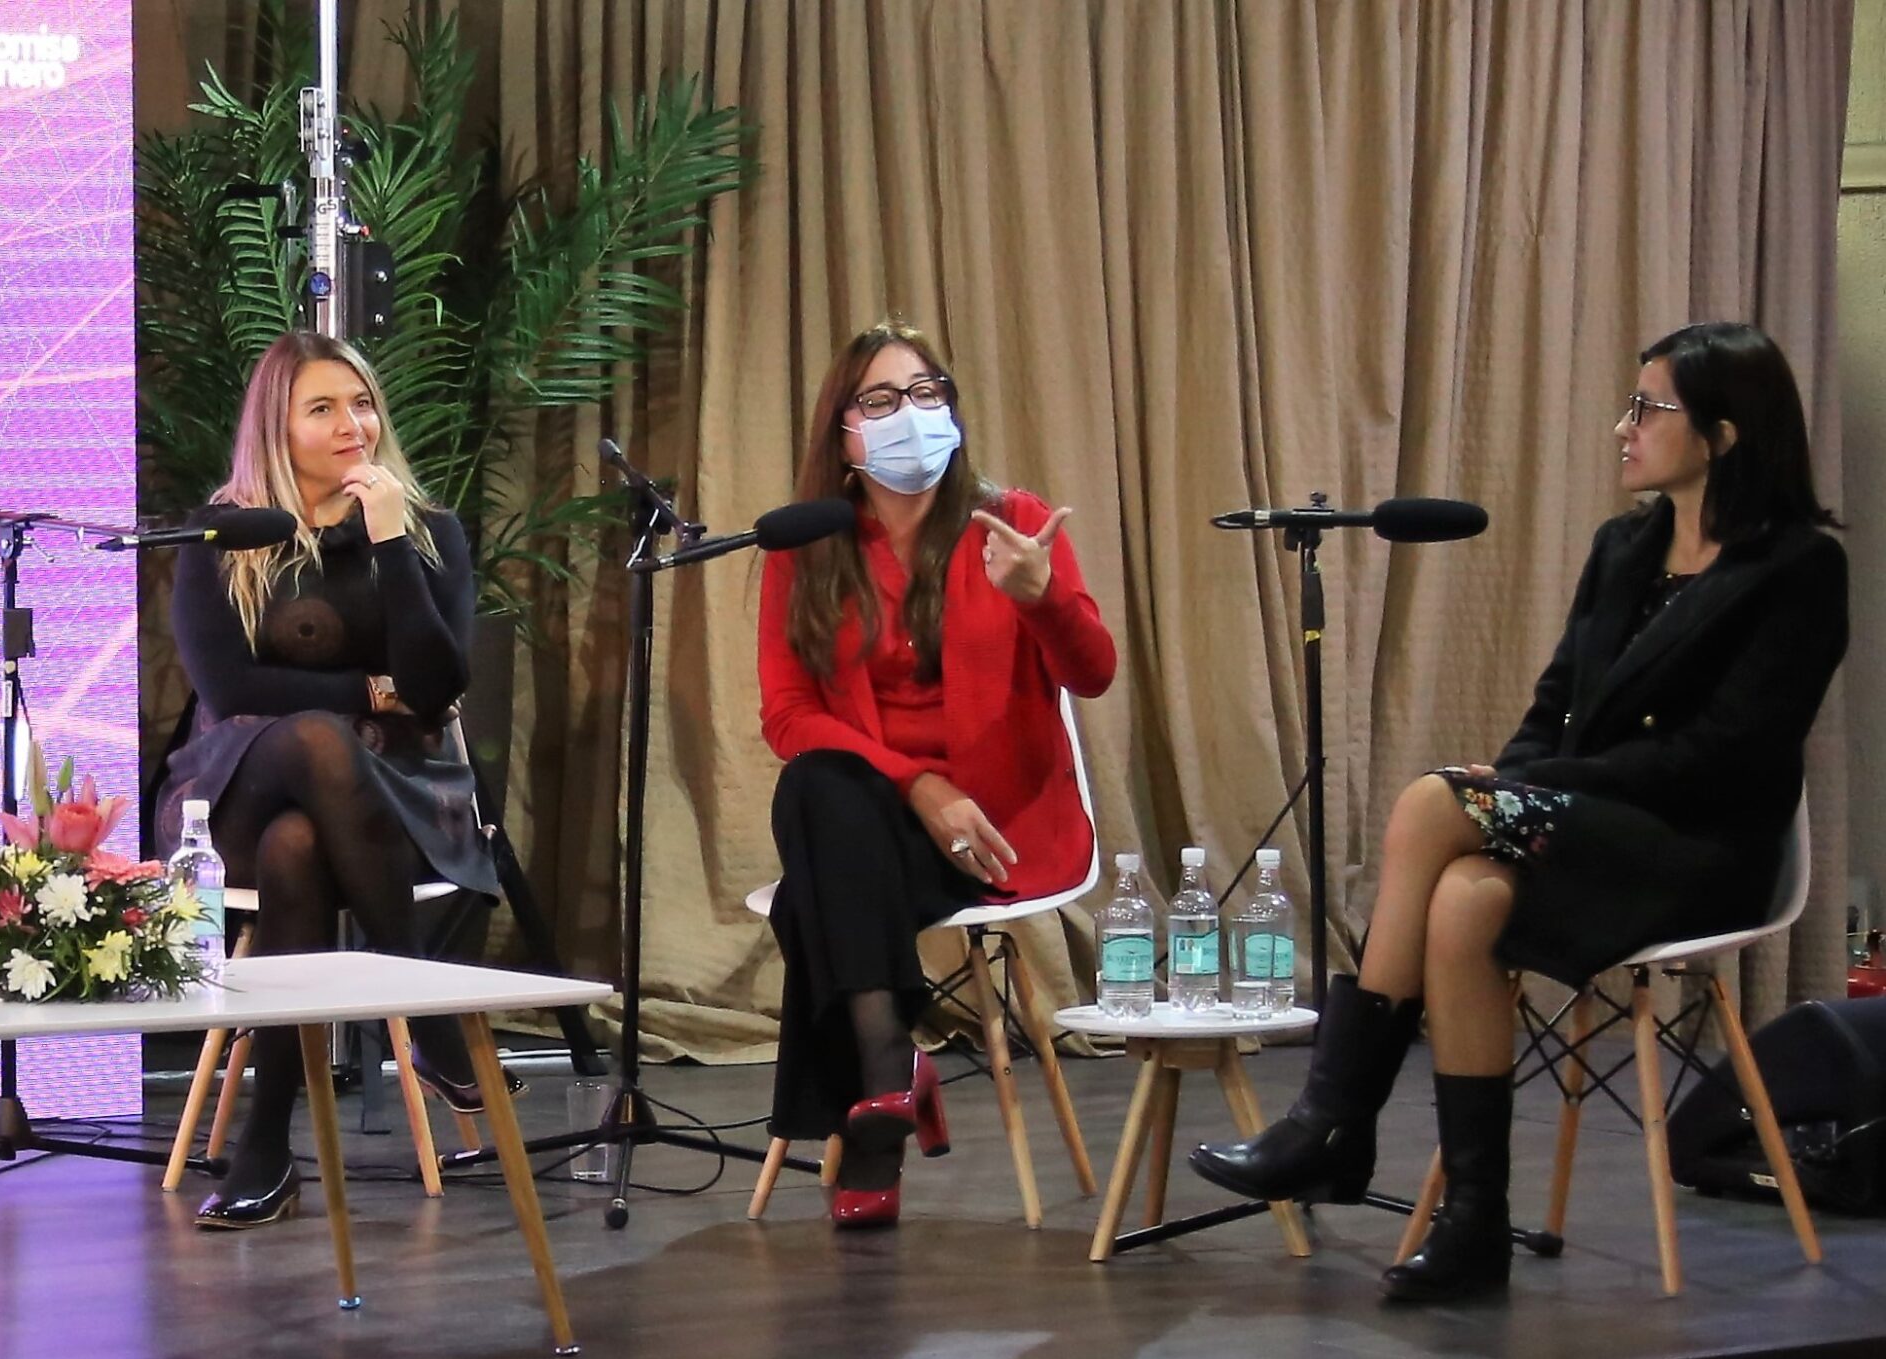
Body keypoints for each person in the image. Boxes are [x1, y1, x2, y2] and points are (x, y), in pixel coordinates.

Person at [1191, 321, 1849, 1301]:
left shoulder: (1796, 567)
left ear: (1721, 433)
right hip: (1595, 825)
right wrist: (1519, 784)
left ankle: (1334, 1121)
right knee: (1460, 897)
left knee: (1431, 804)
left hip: (1699, 850)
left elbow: (1722, 760)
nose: (1622, 427)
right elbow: (1553, 713)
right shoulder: (1623, 547)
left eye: (1649, 408)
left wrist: (1538, 792)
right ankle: (1472, 1227)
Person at [758, 321, 1117, 1228]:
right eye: (880, 401)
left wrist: (1044, 601)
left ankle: (884, 1089)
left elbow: (1095, 673)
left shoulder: (1016, 524)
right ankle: (886, 1076)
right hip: (877, 820)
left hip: (998, 826)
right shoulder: (808, 547)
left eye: (926, 394)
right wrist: (917, 784)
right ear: (842, 434)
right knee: (818, 786)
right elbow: (788, 715)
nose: (909, 416)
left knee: (817, 888)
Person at [156, 331, 503, 1230]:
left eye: (362, 402)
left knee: (297, 851)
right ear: (277, 427)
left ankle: (267, 1147)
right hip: (231, 783)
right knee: (309, 742)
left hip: (395, 794)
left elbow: (438, 684)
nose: (354, 423)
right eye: (323, 408)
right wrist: (371, 691)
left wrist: (389, 542)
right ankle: (418, 997)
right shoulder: (223, 534)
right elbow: (234, 691)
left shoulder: (427, 533)